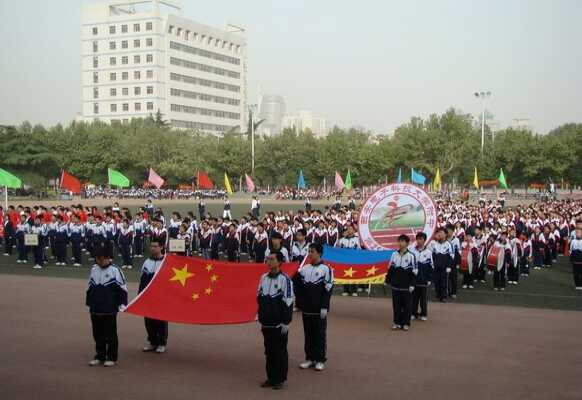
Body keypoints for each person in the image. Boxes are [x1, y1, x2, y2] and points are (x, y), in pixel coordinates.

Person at [86, 241, 128, 367]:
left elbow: (123, 289)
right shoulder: (94, 269)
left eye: (100, 258)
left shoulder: (115, 271)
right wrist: (89, 302)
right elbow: (89, 286)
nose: (98, 260)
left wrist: (122, 304)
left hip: (109, 308)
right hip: (95, 308)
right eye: (97, 258)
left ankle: (111, 357)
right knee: (97, 334)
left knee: (110, 334)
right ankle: (99, 355)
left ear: (107, 258)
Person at [257, 251, 294, 390]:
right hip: (266, 322)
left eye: (272, 259)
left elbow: (289, 301)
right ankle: (270, 377)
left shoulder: (286, 280)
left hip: (279, 324)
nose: (269, 261)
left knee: (280, 351)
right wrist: (260, 315)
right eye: (268, 259)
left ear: (279, 262)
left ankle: (280, 378)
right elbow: (259, 298)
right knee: (269, 351)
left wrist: (286, 321)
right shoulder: (263, 278)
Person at [294, 243, 333, 371]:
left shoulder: (326, 269)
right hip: (307, 308)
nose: (310, 253)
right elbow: (298, 285)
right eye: (309, 251)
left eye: (312, 251)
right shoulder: (304, 269)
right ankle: (309, 358)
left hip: (319, 309)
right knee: (308, 334)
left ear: (320, 253)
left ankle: (320, 359)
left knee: (320, 334)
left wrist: (324, 307)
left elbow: (328, 290)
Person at [139, 239, 168, 353]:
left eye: (155, 246)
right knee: (148, 320)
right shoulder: (147, 262)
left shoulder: (166, 261)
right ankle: (153, 342)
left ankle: (162, 343)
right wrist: (140, 295)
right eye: (151, 246)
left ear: (161, 247)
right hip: (148, 296)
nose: (152, 248)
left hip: (161, 297)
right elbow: (142, 280)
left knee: (160, 320)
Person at [386, 234, 417, 331]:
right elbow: (390, 268)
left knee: (407, 306)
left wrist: (412, 284)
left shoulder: (411, 256)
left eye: (403, 241)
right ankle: (396, 322)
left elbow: (415, 272)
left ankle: (406, 323)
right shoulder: (394, 254)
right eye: (399, 241)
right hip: (395, 285)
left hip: (406, 286)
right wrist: (387, 280)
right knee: (396, 305)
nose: (400, 243)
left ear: (407, 243)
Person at [409, 232, 432, 321]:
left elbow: (431, 266)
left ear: (424, 240)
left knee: (423, 299)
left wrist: (429, 278)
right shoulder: (412, 250)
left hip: (423, 279)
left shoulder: (429, 252)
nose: (419, 241)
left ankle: (423, 313)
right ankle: (413, 313)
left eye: (421, 239)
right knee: (414, 298)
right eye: (417, 239)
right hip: (414, 279)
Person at [336, 224, 360, 297]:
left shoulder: (357, 239)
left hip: (354, 260)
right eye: (348, 229)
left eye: (351, 229)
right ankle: (346, 290)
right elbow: (339, 250)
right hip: (345, 261)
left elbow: (359, 250)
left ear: (354, 230)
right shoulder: (342, 240)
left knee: (354, 275)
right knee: (345, 275)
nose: (349, 230)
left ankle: (354, 291)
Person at [431, 228, 453, 302]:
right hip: (436, 266)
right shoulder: (434, 244)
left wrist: (449, 266)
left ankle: (444, 296)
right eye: (439, 232)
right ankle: (438, 295)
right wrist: (432, 264)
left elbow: (451, 256)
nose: (439, 234)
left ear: (445, 234)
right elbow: (432, 255)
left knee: (444, 282)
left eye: (441, 232)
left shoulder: (448, 244)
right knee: (436, 281)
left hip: (445, 267)